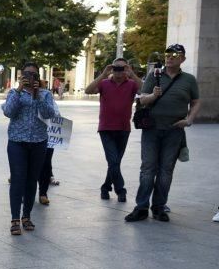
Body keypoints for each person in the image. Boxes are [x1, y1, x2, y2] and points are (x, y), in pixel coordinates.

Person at [126, 44, 201, 223]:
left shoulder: (189, 79)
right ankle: (141, 207)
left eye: (175, 55)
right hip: (151, 129)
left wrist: (189, 120)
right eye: (168, 54)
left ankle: (159, 207)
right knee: (147, 169)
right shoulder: (155, 75)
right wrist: (153, 95)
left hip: (174, 130)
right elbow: (142, 99)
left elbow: (196, 102)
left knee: (166, 170)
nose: (170, 57)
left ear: (183, 59)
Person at [3, 62, 58, 235]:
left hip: (39, 142)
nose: (29, 77)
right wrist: (19, 90)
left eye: (33, 74)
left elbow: (50, 114)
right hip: (17, 142)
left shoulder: (46, 94)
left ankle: (26, 216)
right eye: (26, 74)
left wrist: (38, 95)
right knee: (18, 179)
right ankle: (14, 219)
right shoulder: (14, 93)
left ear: (38, 77)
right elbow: (9, 112)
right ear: (21, 76)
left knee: (32, 179)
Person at [84, 58, 142, 202]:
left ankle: (105, 187)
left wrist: (132, 74)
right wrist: (103, 74)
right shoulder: (104, 83)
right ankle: (121, 190)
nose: (119, 71)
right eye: (116, 68)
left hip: (123, 128)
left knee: (114, 162)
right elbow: (88, 90)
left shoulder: (131, 84)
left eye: (122, 68)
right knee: (114, 161)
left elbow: (145, 89)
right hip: (106, 128)